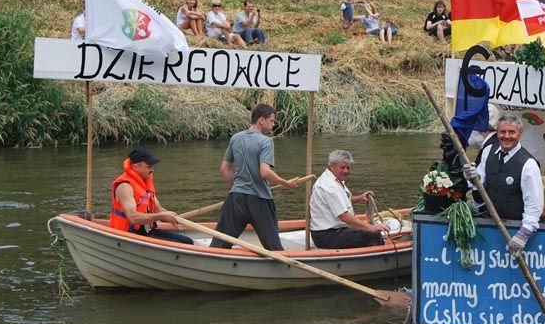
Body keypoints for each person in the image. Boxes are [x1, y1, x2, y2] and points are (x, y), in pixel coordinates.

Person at [209, 104, 301, 250]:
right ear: (261, 120)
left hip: (236, 198)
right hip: (259, 199)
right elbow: (265, 172)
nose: (273, 125)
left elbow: (224, 169)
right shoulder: (266, 141)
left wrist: (237, 187)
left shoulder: (235, 138)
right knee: (273, 247)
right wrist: (286, 183)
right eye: (271, 121)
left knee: (219, 245)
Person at [465, 115, 543, 256]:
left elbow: (534, 204)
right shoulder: (488, 151)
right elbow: (479, 188)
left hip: (514, 229)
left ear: (520, 134)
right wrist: (472, 178)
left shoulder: (529, 164)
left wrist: (524, 234)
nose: (506, 136)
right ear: (497, 133)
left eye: (511, 132)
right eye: (502, 132)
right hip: (489, 226)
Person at [110, 147, 193, 244]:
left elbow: (158, 209)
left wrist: (172, 217)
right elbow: (132, 217)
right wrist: (161, 216)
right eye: (148, 167)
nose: (152, 170)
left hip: (147, 232)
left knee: (187, 240)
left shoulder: (145, 183)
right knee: (186, 242)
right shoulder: (125, 186)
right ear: (136, 167)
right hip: (129, 236)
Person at [309, 150, 384, 249]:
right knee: (374, 235)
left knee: (368, 231)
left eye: (348, 168)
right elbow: (344, 216)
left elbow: (340, 201)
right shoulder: (329, 186)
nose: (346, 171)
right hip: (327, 236)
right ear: (332, 166)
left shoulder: (335, 180)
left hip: (334, 231)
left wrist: (359, 198)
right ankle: (379, 257)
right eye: (342, 167)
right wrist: (371, 228)